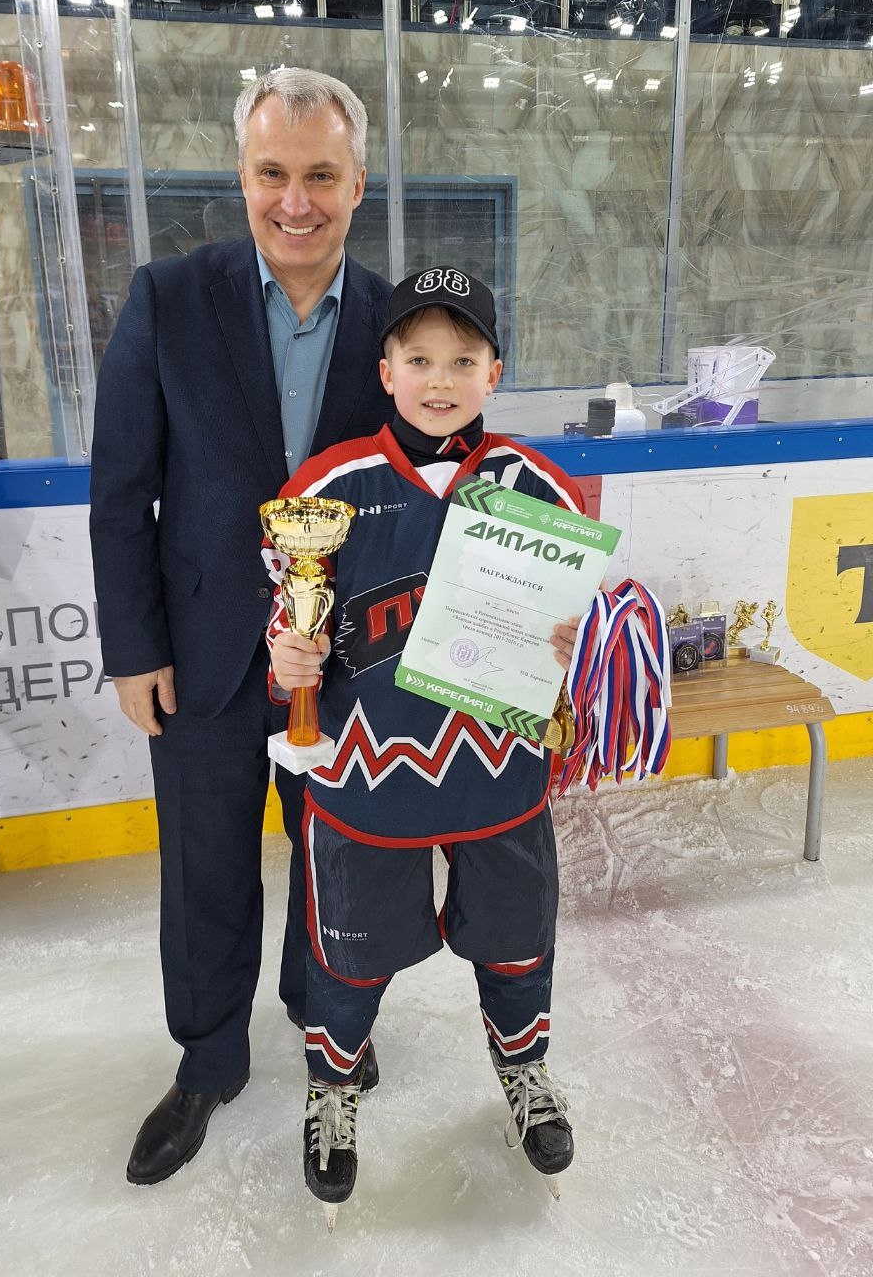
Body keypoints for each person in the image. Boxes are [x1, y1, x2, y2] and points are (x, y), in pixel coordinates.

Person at [89, 67, 393, 1187]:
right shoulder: (168, 298)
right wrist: (135, 649)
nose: (295, 201)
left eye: (321, 175)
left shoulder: (401, 321)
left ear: (357, 182)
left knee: (337, 862)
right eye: (273, 173)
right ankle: (208, 1059)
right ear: (243, 175)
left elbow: (437, 486)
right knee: (206, 871)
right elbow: (122, 490)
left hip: (347, 663)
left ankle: (327, 1025)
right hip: (204, 655)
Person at [266, 267, 585, 1228]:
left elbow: (569, 618)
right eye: (418, 359)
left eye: (462, 359)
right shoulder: (331, 486)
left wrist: (572, 636)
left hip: (499, 777)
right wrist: (288, 652)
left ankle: (523, 1070)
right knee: (349, 953)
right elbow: (288, 609)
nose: (439, 380)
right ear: (386, 371)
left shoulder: (534, 485)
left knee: (517, 937)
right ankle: (335, 1083)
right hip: (369, 780)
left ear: (494, 373)